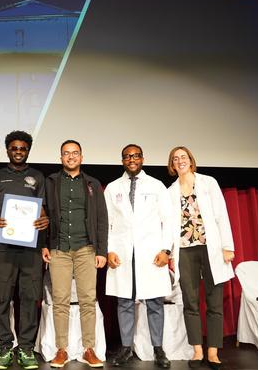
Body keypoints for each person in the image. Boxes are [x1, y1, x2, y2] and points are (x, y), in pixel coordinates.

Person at [104, 144, 174, 368]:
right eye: (127, 156)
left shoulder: (157, 186)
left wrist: (166, 250)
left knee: (154, 302)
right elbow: (106, 223)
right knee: (124, 301)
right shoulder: (113, 187)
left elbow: (169, 220)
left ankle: (158, 349)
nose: (131, 159)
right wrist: (109, 249)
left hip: (151, 253)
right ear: (122, 160)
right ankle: (126, 348)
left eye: (135, 156)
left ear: (142, 158)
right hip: (123, 253)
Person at [167, 146, 235, 370]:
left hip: (211, 248)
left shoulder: (208, 182)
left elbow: (221, 215)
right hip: (185, 250)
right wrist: (167, 251)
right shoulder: (170, 191)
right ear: (172, 165)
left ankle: (213, 352)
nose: (180, 161)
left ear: (190, 160)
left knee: (215, 301)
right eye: (176, 159)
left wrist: (227, 246)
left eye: (183, 157)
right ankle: (197, 350)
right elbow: (168, 227)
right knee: (191, 301)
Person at [42, 140, 108, 368]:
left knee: (88, 300)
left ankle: (89, 349)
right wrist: (44, 245)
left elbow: (101, 219)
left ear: (81, 156)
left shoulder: (93, 183)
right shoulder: (50, 182)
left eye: (75, 153)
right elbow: (43, 216)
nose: (71, 157)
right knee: (60, 301)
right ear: (61, 157)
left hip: (86, 249)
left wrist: (101, 251)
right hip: (59, 249)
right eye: (66, 153)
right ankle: (61, 350)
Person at [0, 131, 49, 370]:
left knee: (29, 296)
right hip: (4, 246)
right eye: (14, 148)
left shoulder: (37, 176)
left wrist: (45, 221)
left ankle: (25, 347)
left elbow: (42, 209)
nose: (18, 152)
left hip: (31, 247)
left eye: (23, 148)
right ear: (7, 150)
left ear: (28, 151)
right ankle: (4, 346)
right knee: (2, 297)